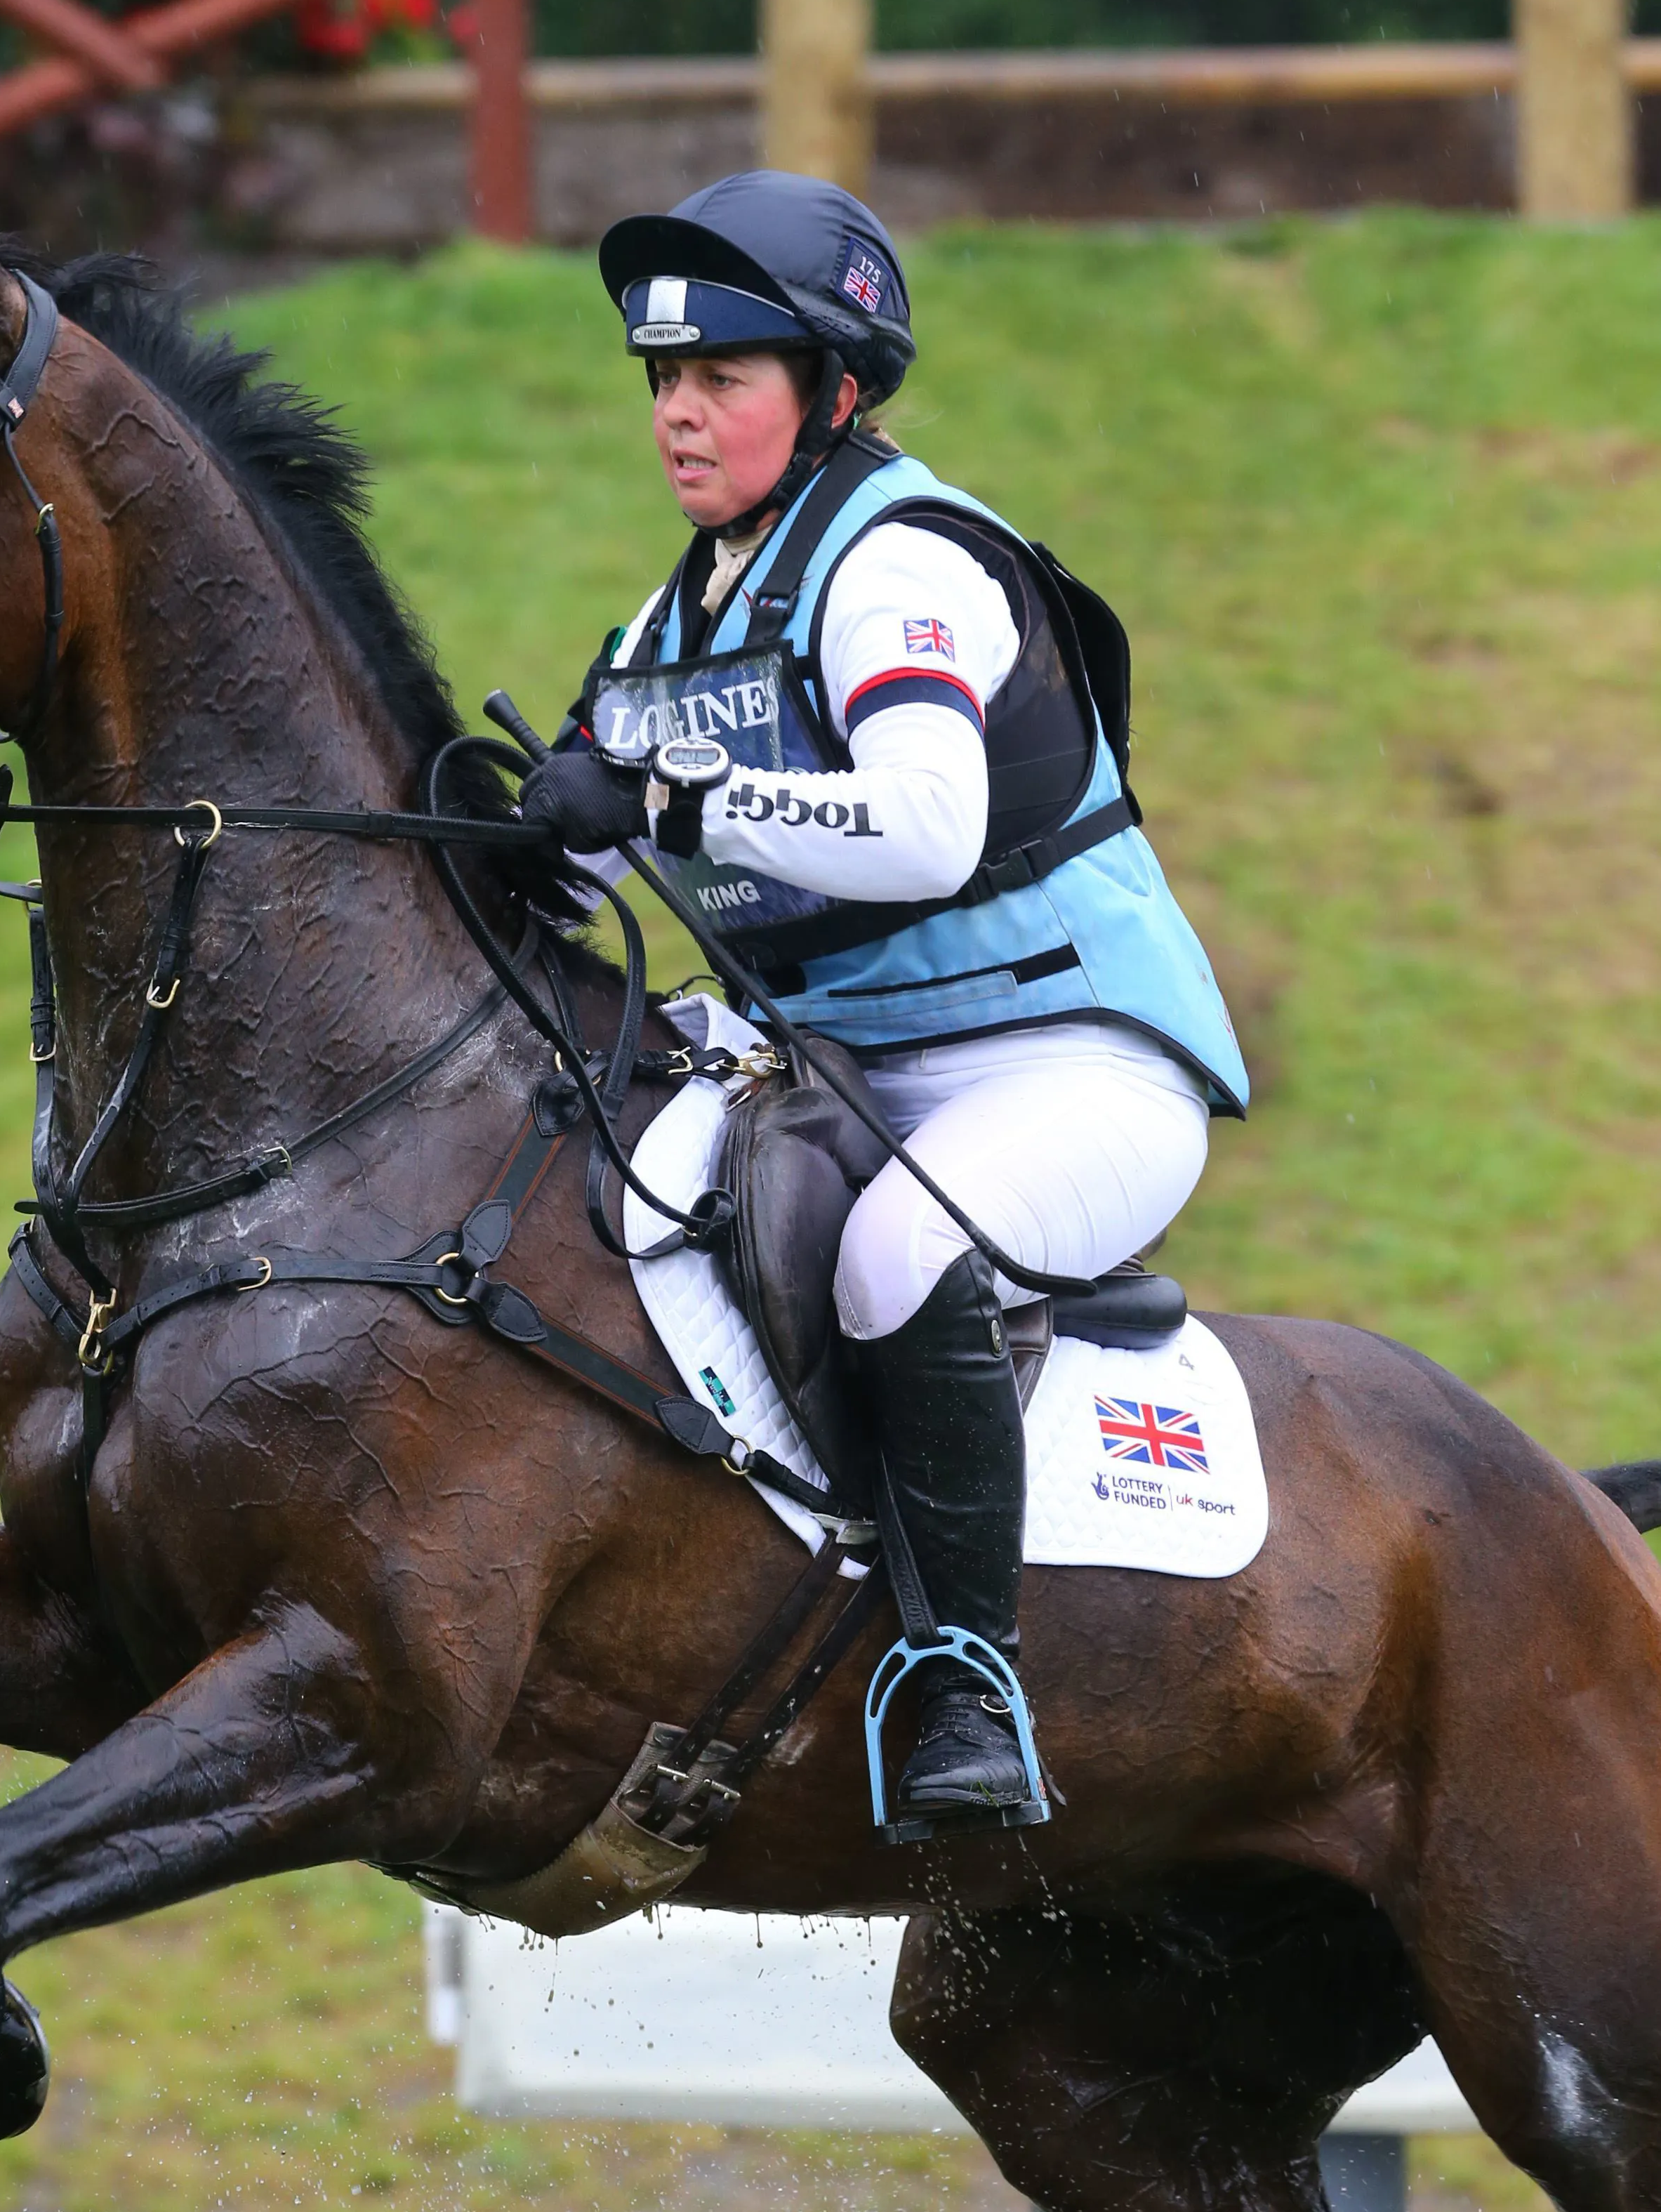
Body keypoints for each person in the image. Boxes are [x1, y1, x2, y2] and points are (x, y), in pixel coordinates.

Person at [520, 171, 1247, 1834]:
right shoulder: (665, 622)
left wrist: (671, 805)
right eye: (661, 382)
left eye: (723, 380)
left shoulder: (902, 566)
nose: (679, 417)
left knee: (901, 1254)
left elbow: (928, 826)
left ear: (833, 392)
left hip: (1076, 1065)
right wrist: (516, 835)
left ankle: (966, 1680)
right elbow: (580, 871)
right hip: (844, 1079)